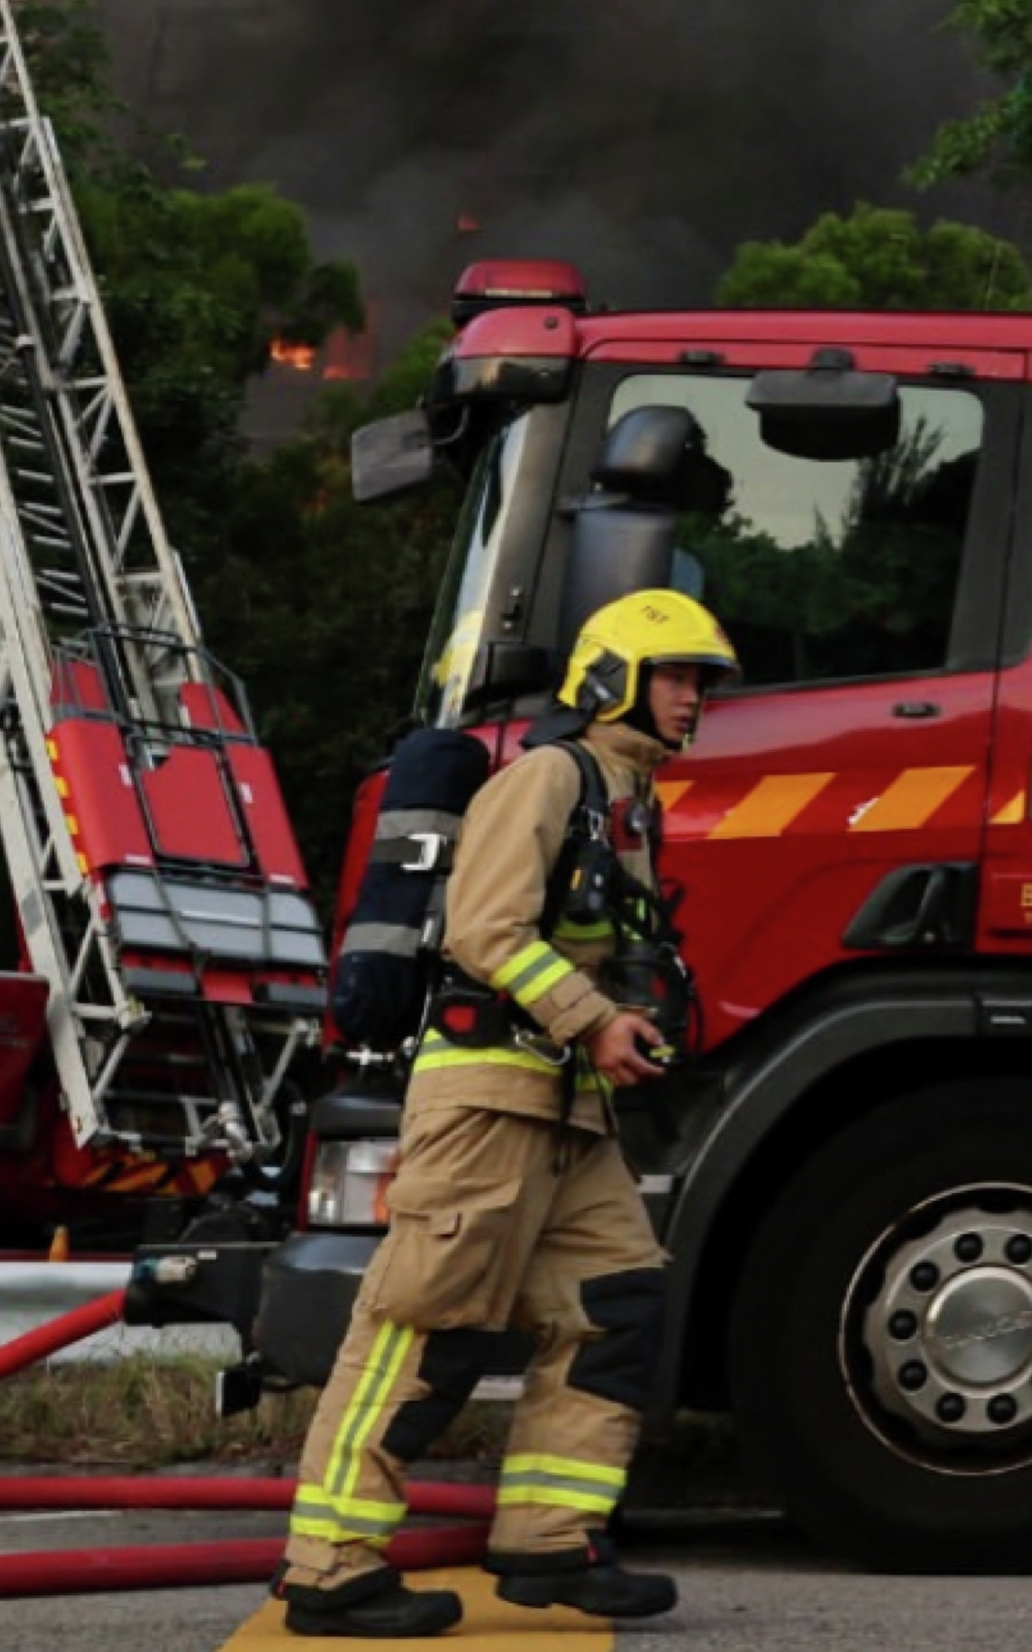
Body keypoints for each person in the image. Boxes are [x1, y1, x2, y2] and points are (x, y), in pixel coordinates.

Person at [274, 586, 736, 1640]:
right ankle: (331, 1564)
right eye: (676, 676)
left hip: (571, 1110)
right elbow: (485, 928)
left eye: (701, 681)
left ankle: (548, 1541)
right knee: (426, 1326)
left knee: (615, 1303)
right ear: (612, 677)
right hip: (490, 1097)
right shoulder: (546, 776)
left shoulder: (627, 798)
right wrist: (593, 1016)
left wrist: (625, 1017)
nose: (694, 699)